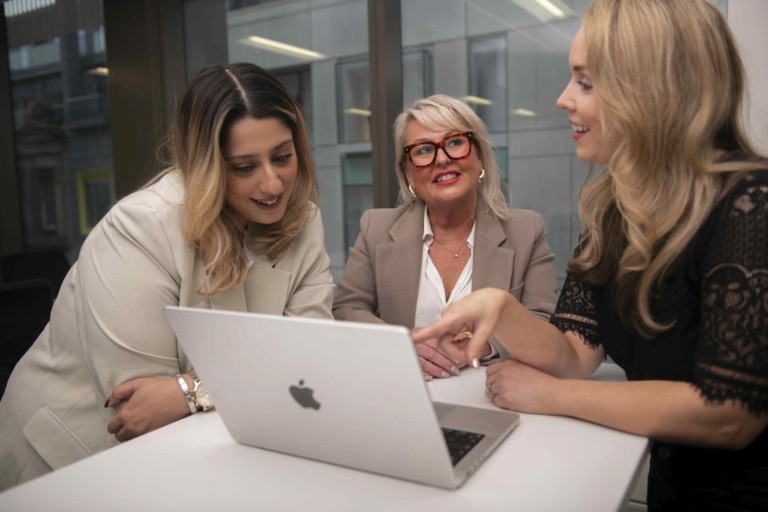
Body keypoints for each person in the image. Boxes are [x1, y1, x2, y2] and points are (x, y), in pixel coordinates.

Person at [413, 1, 768, 510]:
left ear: (651, 90)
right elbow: (576, 354)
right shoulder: (615, 213)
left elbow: (731, 412)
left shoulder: (751, 203)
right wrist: (500, 309)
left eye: (585, 82)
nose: (562, 99)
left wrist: (553, 397)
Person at [0, 63, 334, 489]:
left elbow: (314, 352)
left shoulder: (303, 220)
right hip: (66, 460)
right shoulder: (138, 228)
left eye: (282, 157)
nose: (273, 184)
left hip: (204, 451)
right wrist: (207, 389)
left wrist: (190, 390)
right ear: (206, 164)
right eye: (244, 167)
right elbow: (143, 407)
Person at [333, 94, 557, 380]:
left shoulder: (526, 231)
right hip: (400, 388)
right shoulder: (375, 227)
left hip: (488, 393)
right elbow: (347, 308)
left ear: (480, 158)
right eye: (423, 150)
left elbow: (543, 323)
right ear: (408, 173)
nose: (442, 159)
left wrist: (479, 346)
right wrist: (400, 342)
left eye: (454, 143)